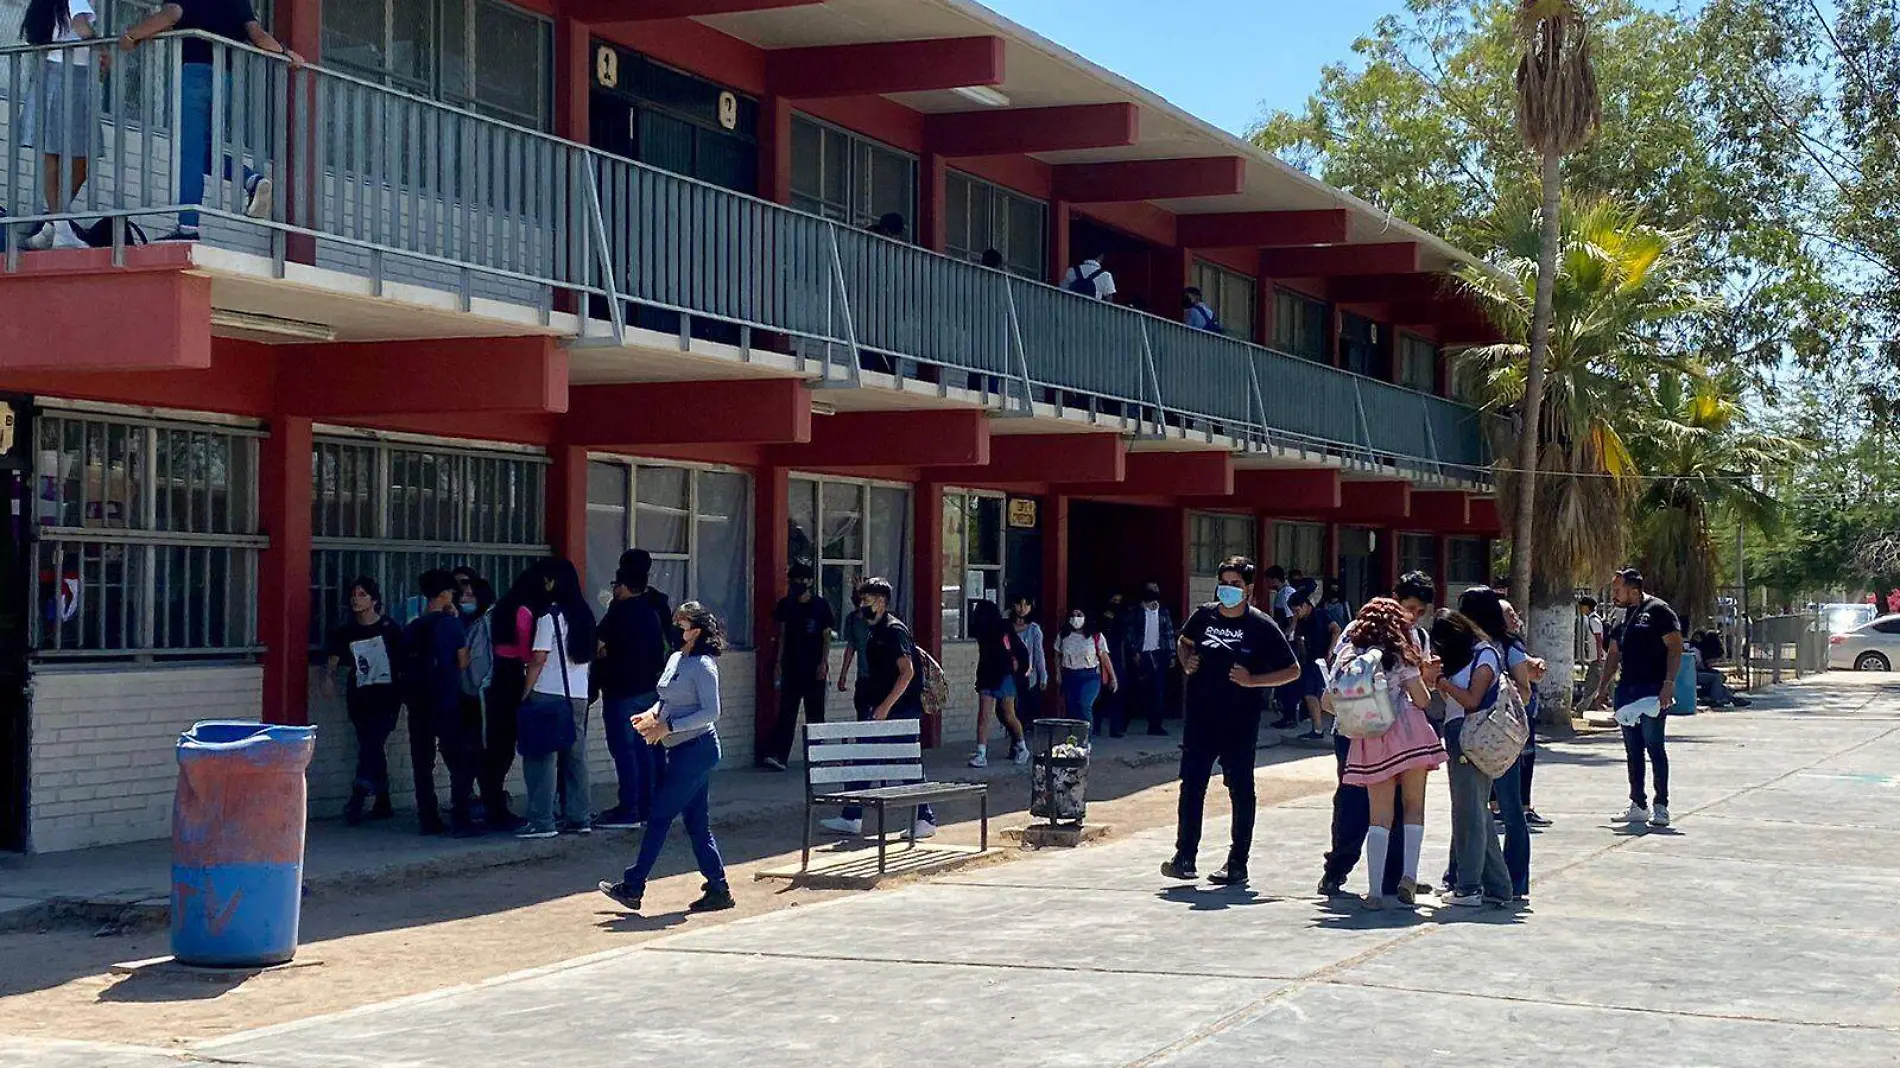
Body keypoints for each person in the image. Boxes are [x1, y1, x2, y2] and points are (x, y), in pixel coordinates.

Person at [1165, 556, 1300, 886]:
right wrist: (1187, 662)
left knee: (1240, 789)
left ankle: (1237, 862)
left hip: (1240, 721)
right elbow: (1184, 643)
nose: (1228, 590)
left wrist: (1254, 681)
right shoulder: (1203, 616)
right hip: (1200, 718)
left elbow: (1292, 670)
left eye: (1235, 585)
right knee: (1192, 785)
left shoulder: (1261, 625)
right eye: (1224, 583)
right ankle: (1185, 856)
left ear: (1249, 590)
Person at [117, 0, 301, 241]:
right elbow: (256, 34)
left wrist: (131, 36)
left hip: (193, 74)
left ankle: (187, 228)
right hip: (224, 79)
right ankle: (251, 180)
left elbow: (172, 14)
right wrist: (286, 54)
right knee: (203, 151)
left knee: (189, 152)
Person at [597, 601, 734, 914]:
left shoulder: (703, 665)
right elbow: (666, 699)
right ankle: (718, 887)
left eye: (682, 624)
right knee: (697, 823)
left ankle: (634, 884)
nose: (676, 627)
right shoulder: (676, 658)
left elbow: (711, 712)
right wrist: (651, 714)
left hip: (697, 749)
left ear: (696, 631)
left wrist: (668, 726)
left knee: (659, 815)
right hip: (683, 749)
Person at [1320, 571, 1435, 899]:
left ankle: (1392, 878)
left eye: (1420, 611)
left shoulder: (1416, 637)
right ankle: (1339, 869)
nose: (1413, 616)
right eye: (1409, 607)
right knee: (1356, 803)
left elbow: (1331, 688)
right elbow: (1419, 694)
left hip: (1357, 730)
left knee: (1387, 808)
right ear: (1395, 600)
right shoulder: (1360, 634)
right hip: (1361, 733)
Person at [821, 578, 938, 839]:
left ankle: (924, 818)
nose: (862, 605)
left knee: (905, 762)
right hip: (880, 708)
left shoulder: (893, 630)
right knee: (863, 757)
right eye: (861, 600)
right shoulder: (874, 629)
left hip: (900, 710)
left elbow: (906, 673)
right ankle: (851, 815)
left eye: (867, 600)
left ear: (882, 602)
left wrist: (886, 706)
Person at [1458, 588, 1539, 901]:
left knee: (1510, 808)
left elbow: (1525, 691)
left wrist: (1496, 690)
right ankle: (1462, 874)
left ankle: (1516, 880)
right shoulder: (1465, 645)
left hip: (1501, 737)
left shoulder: (1507, 646)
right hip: (1472, 736)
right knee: (1470, 806)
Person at [1588, 568, 1684, 828]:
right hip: (1627, 692)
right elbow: (1613, 654)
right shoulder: (1622, 618)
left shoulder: (1659, 611)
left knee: (1654, 746)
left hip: (1653, 691)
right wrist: (1603, 687)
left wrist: (1669, 683)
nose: (1614, 595)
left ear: (1633, 589)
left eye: (1617, 590)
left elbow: (1675, 647)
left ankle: (1661, 805)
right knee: (1633, 751)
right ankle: (1637, 803)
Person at [1431, 607, 1513, 907]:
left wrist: (1440, 681)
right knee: (1476, 812)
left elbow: (1471, 700)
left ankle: (1469, 886)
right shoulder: (1469, 657)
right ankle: (1499, 885)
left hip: (1473, 739)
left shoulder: (1485, 655)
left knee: (1470, 815)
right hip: (1459, 736)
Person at [514, 559, 597, 840]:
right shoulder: (584, 615)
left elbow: (538, 659)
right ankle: (580, 817)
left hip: (548, 692)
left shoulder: (550, 617)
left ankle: (542, 820)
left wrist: (525, 692)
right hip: (578, 695)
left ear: (553, 583)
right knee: (576, 758)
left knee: (541, 759)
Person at [593, 557, 671, 831]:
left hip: (622, 691)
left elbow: (598, 645)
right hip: (650, 690)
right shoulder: (652, 610)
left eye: (617, 584)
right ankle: (651, 806)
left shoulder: (618, 612)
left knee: (625, 751)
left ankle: (630, 808)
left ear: (623, 586)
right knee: (649, 750)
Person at [18, 0, 98, 250]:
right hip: (66, 74)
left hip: (64, 73)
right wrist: (104, 47)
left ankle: (53, 226)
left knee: (68, 158)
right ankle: (60, 227)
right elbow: (82, 27)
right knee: (59, 154)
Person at [323, 577, 403, 826]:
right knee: (371, 746)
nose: (356, 599)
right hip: (360, 696)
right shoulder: (346, 631)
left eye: (362, 594)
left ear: (374, 600)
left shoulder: (390, 628)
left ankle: (358, 796)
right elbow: (333, 661)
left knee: (372, 743)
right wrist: (328, 679)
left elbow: (402, 660)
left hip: (386, 696)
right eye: (354, 594)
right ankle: (383, 800)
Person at [401, 569, 474, 836]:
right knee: (458, 761)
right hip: (446, 699)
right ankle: (461, 816)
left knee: (422, 762)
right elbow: (463, 661)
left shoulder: (412, 627)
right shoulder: (451, 625)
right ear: (445, 594)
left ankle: (428, 818)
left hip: (417, 702)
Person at [481, 569, 541, 832]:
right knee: (503, 749)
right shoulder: (523, 611)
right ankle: (495, 807)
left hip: (494, 681)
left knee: (495, 747)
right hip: (511, 679)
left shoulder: (499, 608)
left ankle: (491, 802)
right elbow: (528, 651)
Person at [766, 563, 834, 771]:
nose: (798, 584)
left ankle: (818, 757)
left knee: (815, 714)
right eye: (794, 580)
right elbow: (783, 635)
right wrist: (778, 663)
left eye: (802, 580)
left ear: (811, 582)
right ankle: (779, 756)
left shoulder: (820, 606)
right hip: (791, 666)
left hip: (814, 668)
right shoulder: (787, 605)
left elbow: (826, 637)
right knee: (787, 712)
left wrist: (823, 663)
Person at [969, 598, 1028, 768]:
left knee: (1006, 714)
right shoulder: (988, 629)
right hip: (992, 674)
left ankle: (1021, 746)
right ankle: (981, 753)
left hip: (1001, 675)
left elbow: (1014, 647)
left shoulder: (1000, 628)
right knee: (986, 715)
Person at [455, 575, 496, 822]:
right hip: (467, 695)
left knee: (479, 752)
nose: (465, 600)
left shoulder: (486, 622)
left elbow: (483, 661)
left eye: (470, 595)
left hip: (479, 694)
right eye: (462, 595)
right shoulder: (463, 622)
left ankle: (487, 800)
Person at [1118, 581, 1177, 737]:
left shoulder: (1163, 612)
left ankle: (1155, 726)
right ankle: (1123, 724)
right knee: (1133, 691)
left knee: (1157, 693)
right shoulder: (1135, 611)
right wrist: (1134, 652)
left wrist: (1171, 654)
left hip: (1158, 654)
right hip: (1140, 655)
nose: (1154, 592)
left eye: (1156, 589)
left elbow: (1169, 634)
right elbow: (1129, 633)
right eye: (1151, 589)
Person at [1289, 579, 1341, 742]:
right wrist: (1295, 620)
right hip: (1310, 660)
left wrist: (1331, 652)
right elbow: (1291, 636)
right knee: (1311, 693)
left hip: (1325, 659)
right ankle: (1317, 727)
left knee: (1319, 693)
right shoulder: (1301, 621)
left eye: (1297, 610)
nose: (1296, 613)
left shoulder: (1321, 615)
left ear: (1305, 605)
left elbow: (1336, 630)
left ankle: (1323, 727)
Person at [1055, 606, 1118, 729]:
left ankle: (1086, 738)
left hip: (1090, 676)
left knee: (1085, 705)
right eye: (1073, 615)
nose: (1075, 618)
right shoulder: (1063, 635)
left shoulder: (1096, 636)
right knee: (1072, 709)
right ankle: (1073, 739)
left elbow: (1104, 657)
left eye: (1079, 615)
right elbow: (1057, 654)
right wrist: (1058, 673)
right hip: (1070, 675)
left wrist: (1113, 677)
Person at [1011, 596, 1048, 726]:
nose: (1022, 608)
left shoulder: (1034, 629)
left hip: (1026, 674)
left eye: (1026, 605)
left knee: (1023, 706)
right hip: (1008, 671)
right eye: (1019, 604)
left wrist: (1043, 676)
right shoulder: (1006, 626)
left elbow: (1039, 653)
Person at [1579, 596, 1607, 702]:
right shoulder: (1592, 619)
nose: (1581, 608)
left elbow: (1599, 639)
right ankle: (1617, 706)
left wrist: (1599, 657)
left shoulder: (1594, 620)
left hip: (1598, 658)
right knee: (1608, 684)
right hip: (1599, 657)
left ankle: (1581, 708)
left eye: (1582, 606)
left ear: (1587, 607)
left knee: (1591, 684)